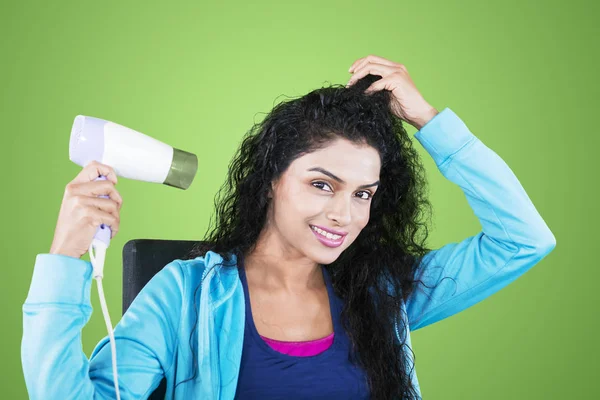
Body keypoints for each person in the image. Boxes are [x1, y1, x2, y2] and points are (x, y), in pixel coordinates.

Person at [22, 55, 556, 399]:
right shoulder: (184, 296)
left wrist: (428, 120)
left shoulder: (383, 292)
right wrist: (66, 257)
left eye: (362, 193)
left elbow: (524, 239)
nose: (343, 216)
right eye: (322, 185)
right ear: (272, 179)